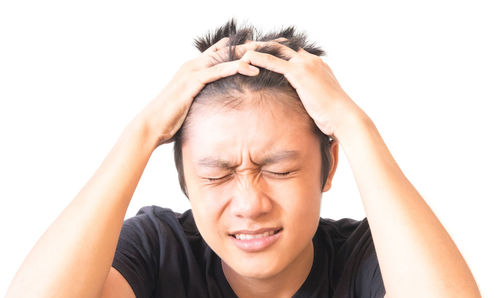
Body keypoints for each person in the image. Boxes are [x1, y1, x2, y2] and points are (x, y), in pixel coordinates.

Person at [5, 19, 481, 298]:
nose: (249, 205)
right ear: (185, 180)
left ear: (329, 167)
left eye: (280, 169)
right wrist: (143, 132)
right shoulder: (157, 250)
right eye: (216, 175)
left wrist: (355, 125)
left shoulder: (370, 259)